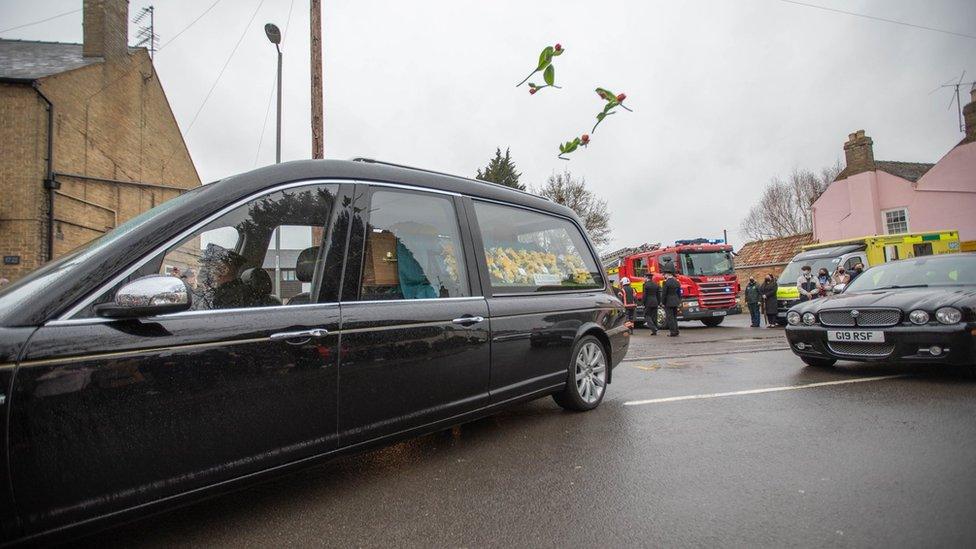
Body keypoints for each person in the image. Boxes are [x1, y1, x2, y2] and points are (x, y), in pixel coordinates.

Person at [661, 268, 681, 337]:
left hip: (668, 302)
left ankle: (673, 332)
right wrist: (679, 300)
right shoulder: (677, 282)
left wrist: (662, 302)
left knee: (670, 317)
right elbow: (679, 292)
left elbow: (664, 294)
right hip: (676, 301)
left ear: (667, 275)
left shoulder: (666, 282)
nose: (664, 276)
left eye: (664, 274)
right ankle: (677, 331)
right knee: (674, 317)